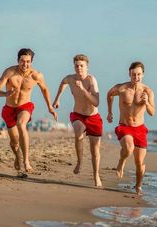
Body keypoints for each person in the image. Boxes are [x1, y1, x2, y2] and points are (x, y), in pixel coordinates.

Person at [0, 48, 57, 174]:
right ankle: (18, 156)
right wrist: (6, 93)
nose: (25, 64)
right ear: (18, 60)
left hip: (25, 106)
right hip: (9, 108)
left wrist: (50, 107)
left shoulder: (36, 75)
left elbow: (44, 89)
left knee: (21, 124)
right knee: (14, 143)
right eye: (22, 61)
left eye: (28, 61)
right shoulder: (9, 72)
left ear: (31, 62)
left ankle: (26, 160)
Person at [53, 54, 103, 187]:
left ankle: (96, 175)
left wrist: (83, 89)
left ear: (87, 67)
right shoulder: (70, 78)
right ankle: (80, 162)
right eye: (76, 65)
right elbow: (63, 82)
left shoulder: (91, 80)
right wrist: (57, 98)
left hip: (93, 117)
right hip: (78, 115)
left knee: (95, 150)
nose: (79, 68)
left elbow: (96, 102)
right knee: (78, 134)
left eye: (82, 66)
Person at [107, 61, 155, 194]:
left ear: (143, 75)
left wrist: (146, 103)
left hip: (140, 128)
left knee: (139, 164)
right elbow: (109, 94)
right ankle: (121, 161)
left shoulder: (148, 91)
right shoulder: (121, 88)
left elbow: (152, 112)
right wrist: (110, 112)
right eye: (134, 74)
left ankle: (138, 187)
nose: (136, 77)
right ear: (129, 74)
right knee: (128, 149)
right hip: (125, 126)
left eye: (139, 74)